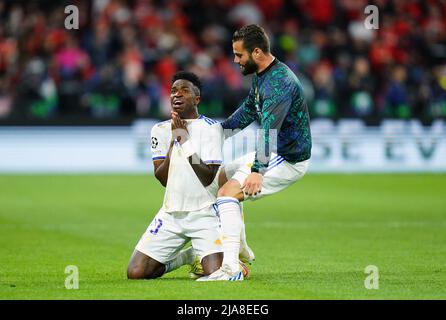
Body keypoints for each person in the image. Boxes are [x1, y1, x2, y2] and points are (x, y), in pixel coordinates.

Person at [198, 25, 312, 281]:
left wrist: (257, 172)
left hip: (288, 158)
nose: (235, 60)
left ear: (257, 52)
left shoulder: (279, 84)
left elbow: (269, 131)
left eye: (239, 55)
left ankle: (231, 269)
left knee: (227, 194)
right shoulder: (264, 75)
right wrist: (219, 131)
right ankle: (239, 248)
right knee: (221, 180)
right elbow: (249, 110)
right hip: (277, 151)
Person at [127, 71, 252, 280]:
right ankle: (187, 257)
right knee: (136, 272)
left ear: (197, 99)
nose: (177, 95)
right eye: (174, 91)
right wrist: (175, 140)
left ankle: (212, 255)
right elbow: (162, 178)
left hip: (204, 213)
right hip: (171, 214)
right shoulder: (159, 130)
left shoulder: (211, 129)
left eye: (184, 91)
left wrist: (184, 141)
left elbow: (208, 177)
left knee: (218, 273)